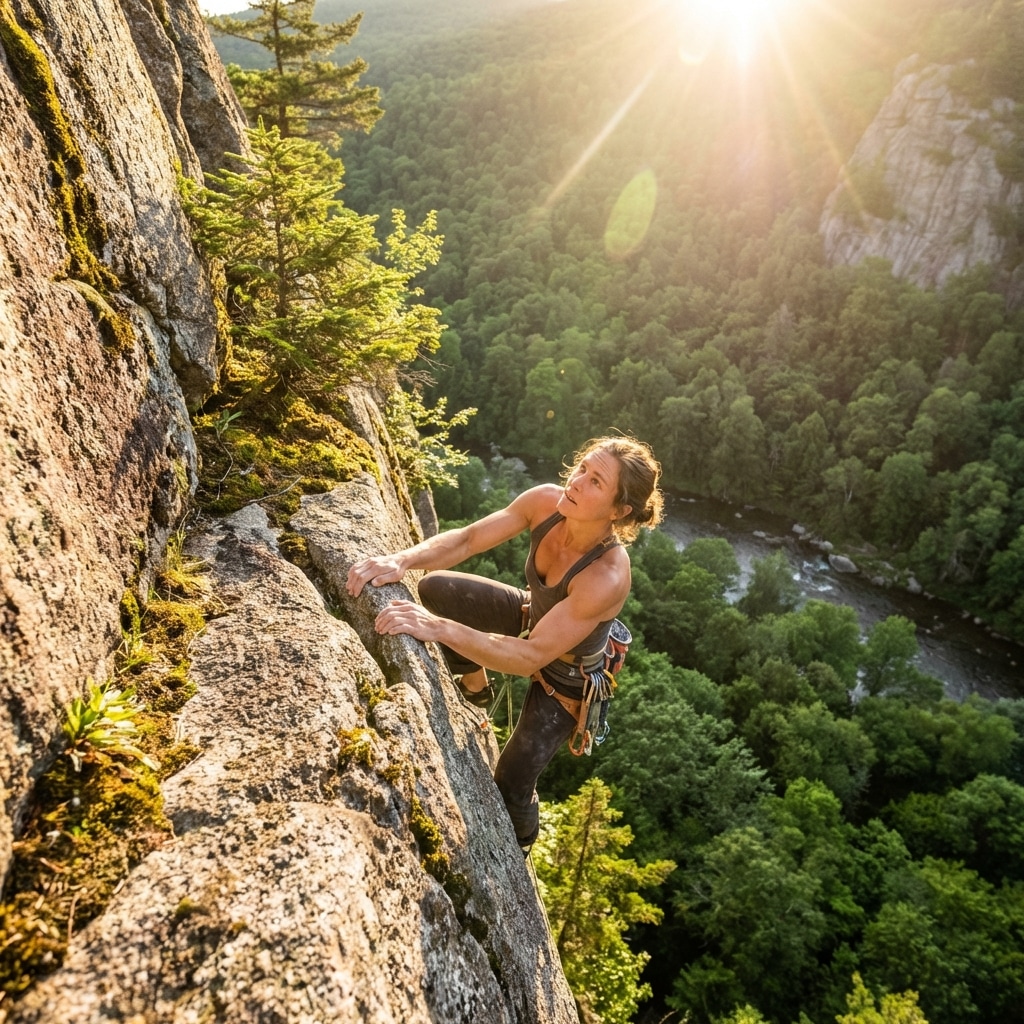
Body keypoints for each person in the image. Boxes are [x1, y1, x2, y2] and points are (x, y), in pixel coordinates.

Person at [346, 436, 663, 852]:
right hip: (534, 616)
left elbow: (530, 656)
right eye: (582, 467)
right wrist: (401, 560)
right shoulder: (546, 503)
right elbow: (467, 540)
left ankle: (525, 842)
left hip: (568, 675)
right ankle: (476, 688)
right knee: (436, 588)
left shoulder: (606, 576)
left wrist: (438, 629)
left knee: (511, 783)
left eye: (596, 481)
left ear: (619, 511)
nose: (578, 481)